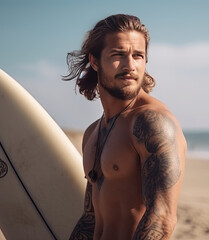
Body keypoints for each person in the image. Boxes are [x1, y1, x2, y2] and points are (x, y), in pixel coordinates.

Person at [63, 14, 187, 240]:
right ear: (95, 61)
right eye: (118, 55)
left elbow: (162, 218)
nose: (130, 65)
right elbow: (90, 217)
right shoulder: (93, 132)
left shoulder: (152, 124)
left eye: (138, 56)